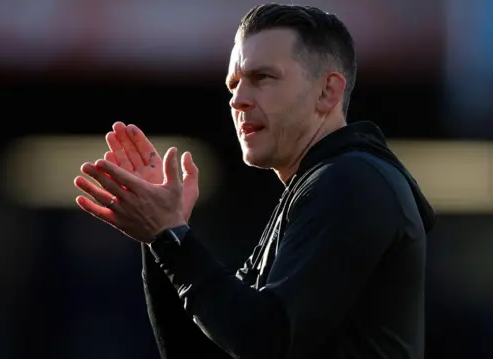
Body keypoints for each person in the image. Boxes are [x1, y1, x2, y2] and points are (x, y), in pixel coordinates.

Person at [73, 4, 437, 359]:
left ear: (328, 92)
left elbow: (266, 340)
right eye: (234, 84)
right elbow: (208, 350)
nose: (238, 100)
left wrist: (172, 238)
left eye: (262, 78)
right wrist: (162, 236)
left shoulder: (352, 181)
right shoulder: (314, 188)